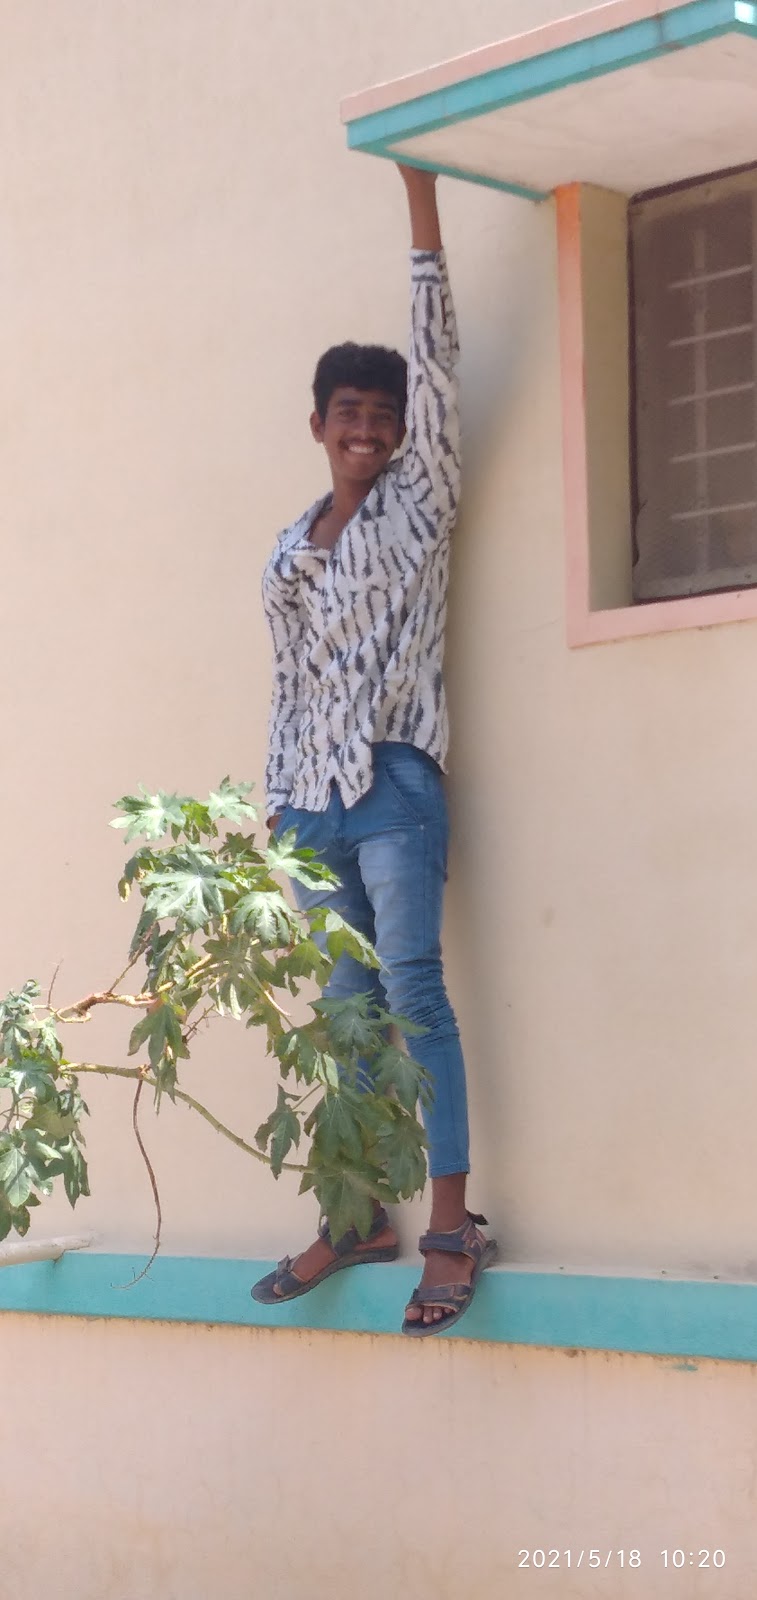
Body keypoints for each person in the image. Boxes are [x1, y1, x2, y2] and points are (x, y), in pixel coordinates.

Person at [251, 162, 497, 1336]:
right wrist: (276, 807)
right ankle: (355, 1215)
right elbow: (287, 684)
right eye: (346, 412)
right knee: (347, 1012)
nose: (367, 427)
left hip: (396, 782)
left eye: (382, 414)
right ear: (317, 424)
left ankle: (450, 1226)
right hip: (310, 805)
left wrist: (420, 201)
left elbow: (436, 356)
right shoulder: (289, 546)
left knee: (410, 992)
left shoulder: (421, 497)